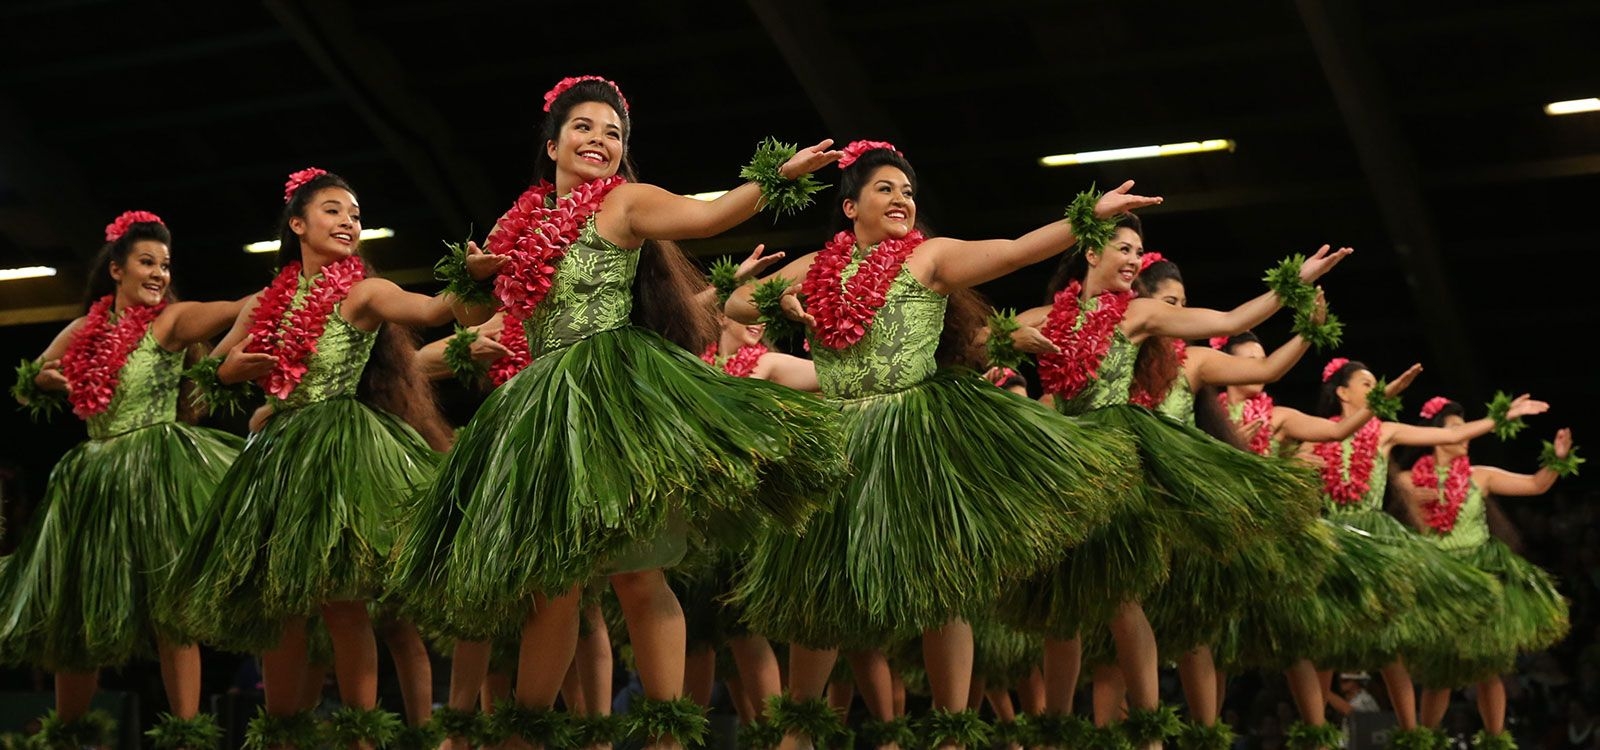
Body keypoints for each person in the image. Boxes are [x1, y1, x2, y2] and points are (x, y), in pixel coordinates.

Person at [385, 74, 848, 750]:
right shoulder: (518, 225)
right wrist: (472, 281)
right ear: (552, 145)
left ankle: (665, 733)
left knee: (637, 571)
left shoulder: (625, 204)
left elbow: (707, 215)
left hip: (611, 390)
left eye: (613, 132)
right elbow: (477, 315)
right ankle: (527, 730)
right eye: (584, 127)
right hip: (541, 405)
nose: (599, 140)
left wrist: (778, 175)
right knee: (554, 584)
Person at [725, 140, 1160, 750]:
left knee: (941, 583)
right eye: (886, 189)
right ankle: (800, 729)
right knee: (821, 585)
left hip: (913, 434)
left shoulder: (928, 259)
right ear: (850, 207)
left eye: (907, 191)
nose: (902, 199)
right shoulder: (818, 266)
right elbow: (739, 300)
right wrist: (790, 306)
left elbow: (1011, 253)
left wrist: (1087, 217)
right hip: (838, 435)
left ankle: (953, 731)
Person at [1000, 216, 1350, 749]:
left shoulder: (1139, 313)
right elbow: (981, 336)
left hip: (1117, 456)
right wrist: (1008, 337)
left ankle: (1148, 731)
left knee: (1120, 597)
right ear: (1091, 255)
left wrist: (1293, 283)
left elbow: (1232, 320)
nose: (1134, 259)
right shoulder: (1049, 317)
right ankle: (1054, 730)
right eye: (1124, 248)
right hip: (1065, 461)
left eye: (1139, 251)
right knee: (1060, 605)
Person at [165, 168, 484, 749]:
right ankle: (285, 733)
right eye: (335, 210)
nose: (349, 222)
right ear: (297, 224)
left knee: (343, 604)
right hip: (278, 459)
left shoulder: (362, 292)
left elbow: (432, 310)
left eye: (356, 214)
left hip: (340, 450)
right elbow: (209, 375)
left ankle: (361, 734)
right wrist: (229, 372)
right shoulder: (267, 302)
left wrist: (469, 278)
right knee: (282, 602)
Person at [3, 211, 248, 748]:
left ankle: (186, 735)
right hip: (92, 480)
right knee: (81, 612)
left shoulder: (171, 321)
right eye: (147, 262)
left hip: (156, 469)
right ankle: (68, 736)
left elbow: (235, 309)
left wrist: (256, 320)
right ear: (116, 270)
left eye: (165, 264)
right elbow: (27, 386)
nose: (159, 274)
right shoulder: (84, 330)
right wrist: (49, 380)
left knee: (169, 610)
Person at [1304, 359, 1549, 746]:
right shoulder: (1316, 434)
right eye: (1365, 383)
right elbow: (1278, 457)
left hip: (1372, 541)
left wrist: (1502, 416)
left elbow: (1453, 435)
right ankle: (1313, 733)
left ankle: (1412, 736)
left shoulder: (1384, 431)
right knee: (1322, 643)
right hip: (1332, 542)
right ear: (1342, 392)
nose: (1375, 387)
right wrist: (1294, 460)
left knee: (1389, 646)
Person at [1400, 397, 1579, 748]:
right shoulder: (1409, 481)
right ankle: (1426, 740)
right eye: (1455, 430)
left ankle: (1496, 741)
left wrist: (1557, 460)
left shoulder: (1481, 476)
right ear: (1433, 436)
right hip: (1441, 578)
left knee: (1489, 665)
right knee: (1442, 671)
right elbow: (1420, 519)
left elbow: (1535, 485)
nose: (1466, 437)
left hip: (1480, 575)